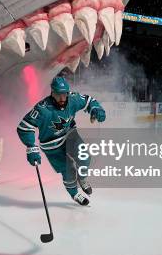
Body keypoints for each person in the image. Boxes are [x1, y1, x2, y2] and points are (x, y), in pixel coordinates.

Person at [16, 76, 106, 206]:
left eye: (65, 94)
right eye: (59, 95)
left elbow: (89, 101)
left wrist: (96, 109)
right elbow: (24, 128)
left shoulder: (72, 99)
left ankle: (82, 178)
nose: (63, 99)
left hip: (69, 134)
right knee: (68, 170)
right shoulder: (42, 109)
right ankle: (75, 194)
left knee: (84, 156)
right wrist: (31, 146)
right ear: (52, 93)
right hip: (51, 145)